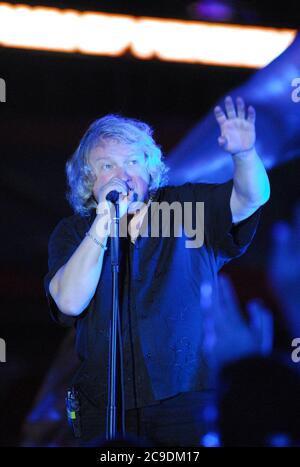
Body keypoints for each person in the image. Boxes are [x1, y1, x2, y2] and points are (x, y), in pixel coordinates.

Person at [44, 96, 270, 446]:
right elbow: (69, 302)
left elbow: (250, 198)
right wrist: (105, 223)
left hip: (186, 397)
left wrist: (243, 154)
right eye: (106, 166)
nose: (122, 175)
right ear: (89, 183)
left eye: (132, 162)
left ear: (149, 169)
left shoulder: (186, 209)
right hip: (105, 405)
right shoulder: (75, 232)